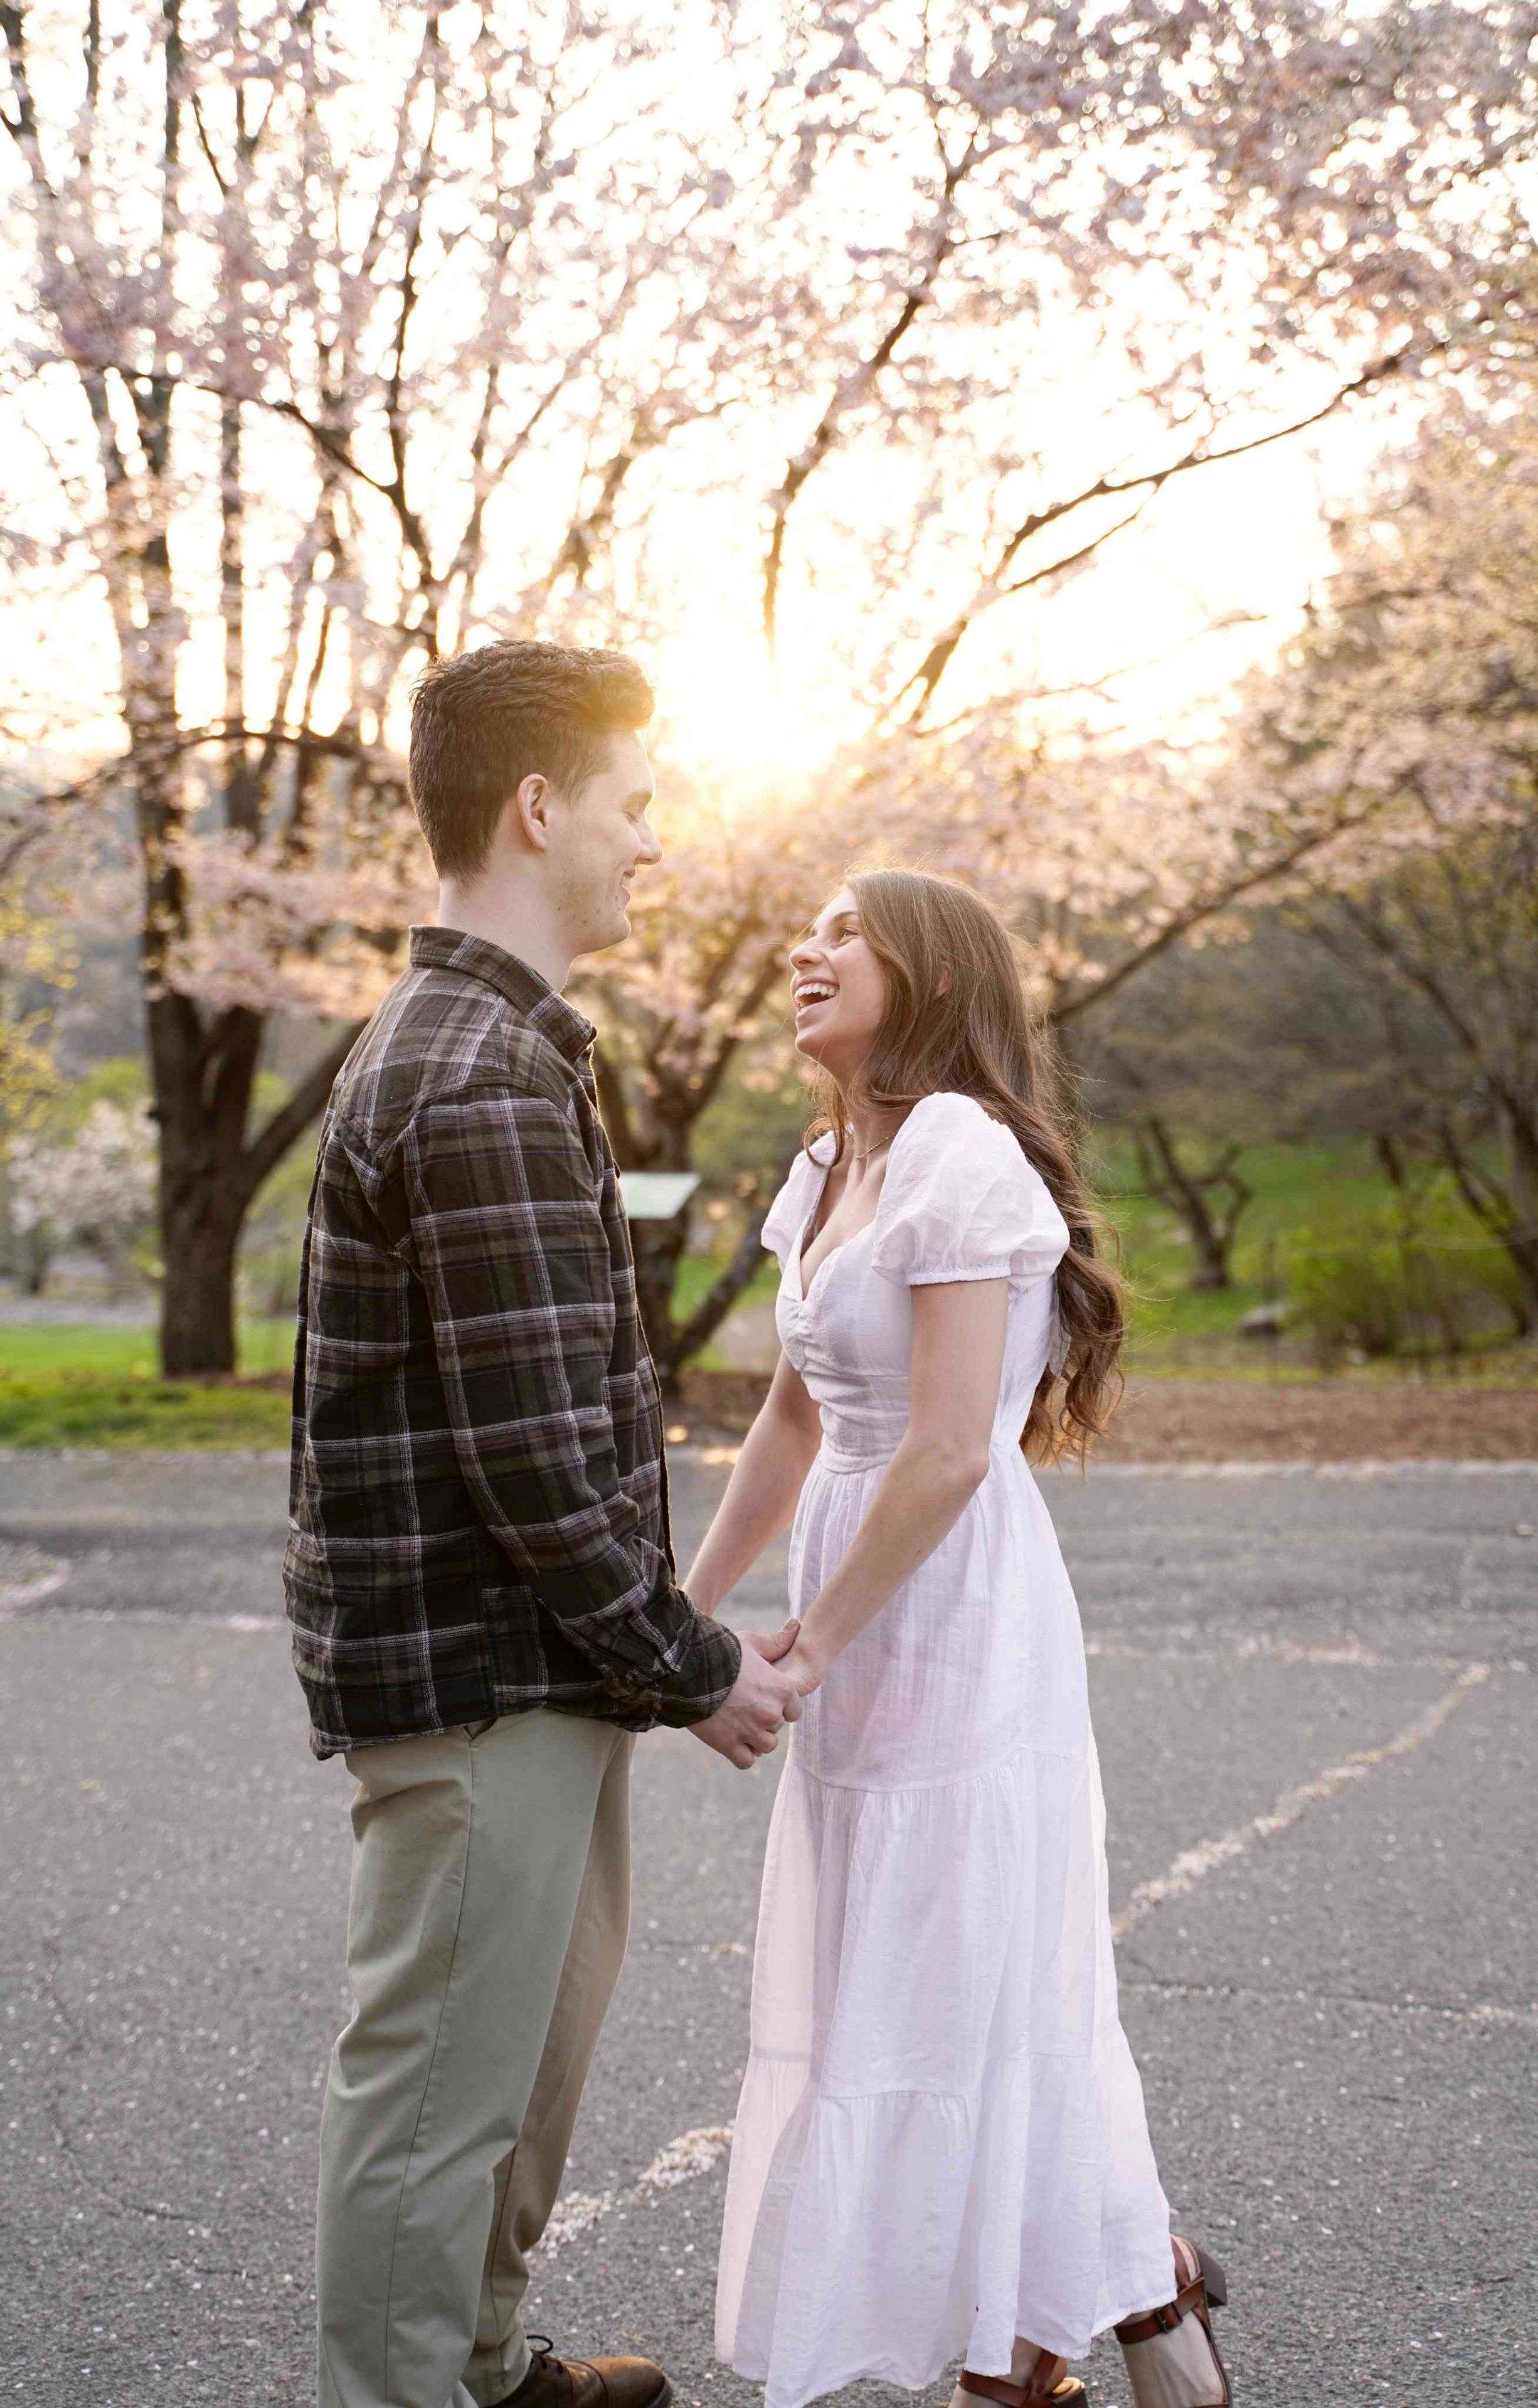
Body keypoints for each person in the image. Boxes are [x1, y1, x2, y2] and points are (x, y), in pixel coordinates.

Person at [282, 640, 800, 2408]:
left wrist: (647, 1658)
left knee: (514, 2067)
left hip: (537, 1668)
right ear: (537, 806)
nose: (654, 842)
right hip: (486, 1677)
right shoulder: (480, 1074)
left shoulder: (494, 1045)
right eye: (636, 803)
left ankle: (489, 2365)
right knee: (434, 2091)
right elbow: (526, 1456)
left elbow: (546, 1424)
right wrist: (696, 1663)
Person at [690, 870, 1233, 2408]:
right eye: (805, 925)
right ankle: (1149, 2276)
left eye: (842, 928)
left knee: (979, 1986)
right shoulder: (825, 1162)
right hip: (854, 1598)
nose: (804, 946)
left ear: (924, 971)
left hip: (951, 1606)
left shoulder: (961, 1154)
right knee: (899, 1975)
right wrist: (691, 1599)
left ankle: (1024, 2357)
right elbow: (793, 1414)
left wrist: (799, 1647)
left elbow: (941, 1450)